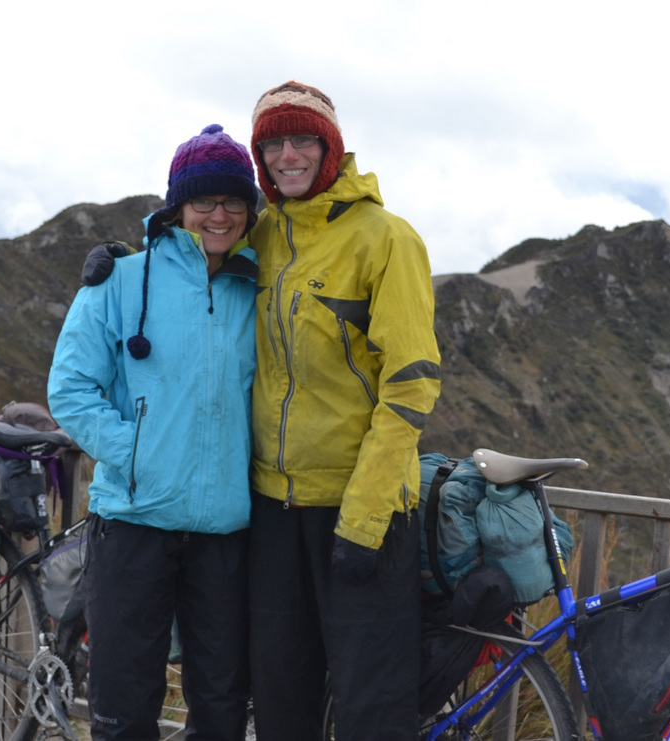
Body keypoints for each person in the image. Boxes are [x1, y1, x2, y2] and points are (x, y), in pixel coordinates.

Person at [48, 123, 259, 741]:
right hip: (134, 523)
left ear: (249, 210)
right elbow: (70, 388)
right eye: (204, 202)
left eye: (233, 202)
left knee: (222, 704)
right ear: (177, 208)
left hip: (225, 532)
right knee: (124, 702)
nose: (218, 216)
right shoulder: (119, 281)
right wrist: (135, 454)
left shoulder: (259, 289)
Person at [246, 81, 442, 741]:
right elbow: (198, 253)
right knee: (280, 701)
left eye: (303, 139)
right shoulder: (263, 232)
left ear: (330, 147)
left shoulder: (386, 238)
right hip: (274, 511)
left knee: (371, 709)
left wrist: (363, 519)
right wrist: (133, 260)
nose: (287, 155)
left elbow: (411, 385)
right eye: (273, 142)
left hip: (364, 512)